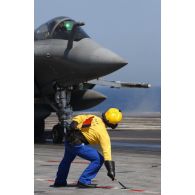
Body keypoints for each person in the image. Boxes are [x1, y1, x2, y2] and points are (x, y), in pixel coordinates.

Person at [53, 108, 123, 188]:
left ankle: (59, 181)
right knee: (99, 159)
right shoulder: (104, 134)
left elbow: (80, 117)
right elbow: (107, 153)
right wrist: (111, 171)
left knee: (66, 160)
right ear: (113, 124)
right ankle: (84, 180)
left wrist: (74, 122)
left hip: (69, 139)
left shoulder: (94, 117)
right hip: (77, 144)